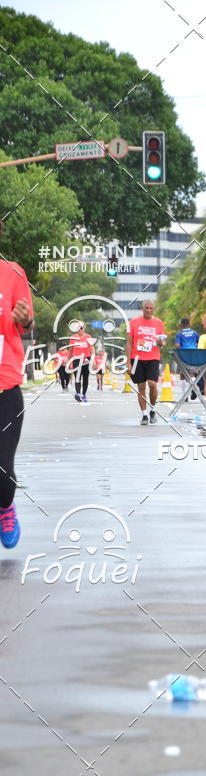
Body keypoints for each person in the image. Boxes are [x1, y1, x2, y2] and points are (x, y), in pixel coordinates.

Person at [0, 220, 34, 548]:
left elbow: (26, 321)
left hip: (4, 388)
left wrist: (23, 318)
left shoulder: (13, 273)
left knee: (2, 474)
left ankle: (5, 506)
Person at [127, 300, 167, 425]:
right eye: (146, 308)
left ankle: (153, 409)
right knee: (141, 387)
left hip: (153, 357)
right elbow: (128, 343)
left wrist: (161, 343)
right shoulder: (133, 322)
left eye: (151, 308)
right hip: (137, 358)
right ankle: (144, 415)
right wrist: (128, 362)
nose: (149, 310)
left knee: (152, 384)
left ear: (153, 309)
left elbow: (163, 342)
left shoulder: (158, 323)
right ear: (142, 308)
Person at [67, 321, 93, 402]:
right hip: (76, 359)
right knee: (77, 377)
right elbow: (70, 351)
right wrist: (69, 362)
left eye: (81, 328)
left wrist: (93, 360)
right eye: (78, 328)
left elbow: (92, 349)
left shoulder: (88, 337)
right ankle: (78, 394)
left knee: (85, 378)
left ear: (84, 328)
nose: (80, 329)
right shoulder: (73, 338)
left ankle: (84, 394)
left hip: (86, 359)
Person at [175, 316, 200, 401]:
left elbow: (177, 346)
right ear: (189, 324)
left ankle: (184, 396)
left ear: (181, 325)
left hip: (184, 356)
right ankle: (194, 387)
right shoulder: (195, 333)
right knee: (192, 374)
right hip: (194, 355)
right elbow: (199, 343)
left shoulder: (179, 334)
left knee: (182, 375)